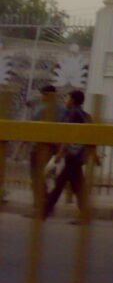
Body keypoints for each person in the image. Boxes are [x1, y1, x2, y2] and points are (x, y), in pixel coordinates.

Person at [42, 90, 94, 222]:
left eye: (67, 97)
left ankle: (45, 212)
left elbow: (69, 135)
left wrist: (60, 153)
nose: (65, 100)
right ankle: (85, 214)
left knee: (60, 184)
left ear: (73, 100)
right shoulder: (84, 114)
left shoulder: (73, 113)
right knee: (76, 186)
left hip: (73, 154)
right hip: (78, 154)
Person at [28, 85, 66, 217]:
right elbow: (64, 131)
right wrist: (60, 151)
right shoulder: (63, 110)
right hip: (54, 148)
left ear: (46, 94)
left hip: (39, 147)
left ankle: (40, 207)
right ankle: (47, 205)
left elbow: (32, 128)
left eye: (43, 94)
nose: (42, 97)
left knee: (37, 177)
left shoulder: (40, 109)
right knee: (47, 177)